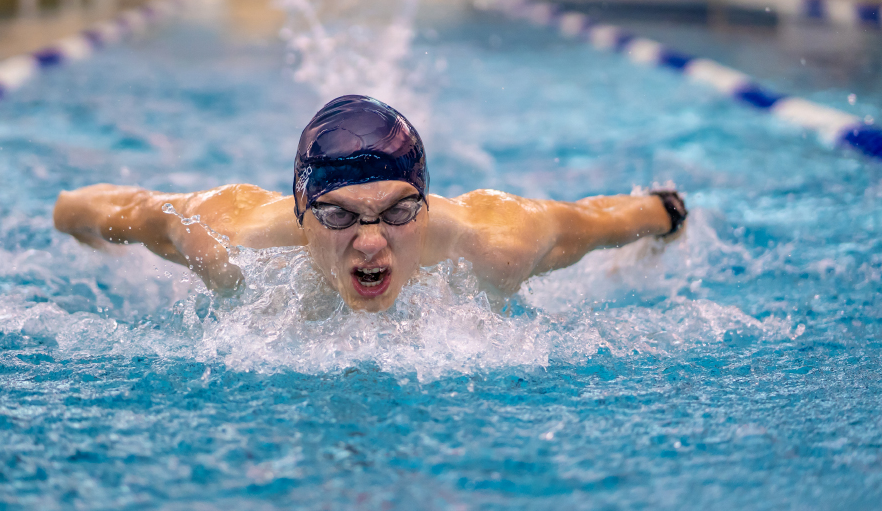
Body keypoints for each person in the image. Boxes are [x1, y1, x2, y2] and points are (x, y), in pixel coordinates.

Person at [53, 95, 687, 312]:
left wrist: (664, 214)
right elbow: (132, 211)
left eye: (398, 211)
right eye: (338, 215)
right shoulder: (227, 239)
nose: (371, 242)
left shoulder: (498, 243)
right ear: (302, 214)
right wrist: (69, 215)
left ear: (428, 203)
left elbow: (602, 221)